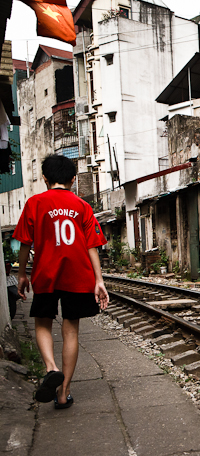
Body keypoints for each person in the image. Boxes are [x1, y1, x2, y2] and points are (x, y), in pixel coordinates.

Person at [14, 155, 108, 409]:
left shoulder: (35, 203)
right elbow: (92, 246)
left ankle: (51, 367)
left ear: (45, 178)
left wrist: (22, 273)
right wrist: (99, 280)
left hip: (45, 273)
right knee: (71, 330)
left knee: (43, 322)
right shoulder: (82, 206)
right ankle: (64, 393)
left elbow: (24, 242)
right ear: (73, 179)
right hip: (78, 275)